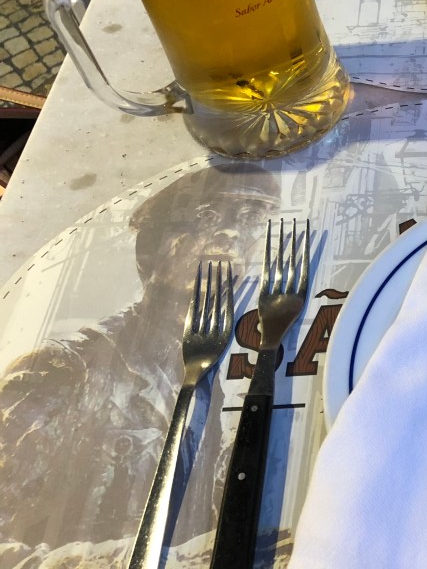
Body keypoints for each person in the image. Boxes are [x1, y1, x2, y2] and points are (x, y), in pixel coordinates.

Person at [0, 164, 279, 565]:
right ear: (151, 249)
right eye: (207, 217)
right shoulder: (62, 369)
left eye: (251, 220)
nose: (232, 234)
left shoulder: (228, 376)